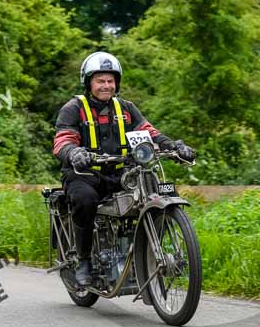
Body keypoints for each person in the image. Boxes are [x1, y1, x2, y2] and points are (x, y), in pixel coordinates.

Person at [53, 52, 195, 286]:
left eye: (110, 81)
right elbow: (62, 140)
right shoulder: (74, 108)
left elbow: (149, 132)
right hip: (85, 176)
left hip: (122, 175)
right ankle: (84, 260)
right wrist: (74, 152)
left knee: (159, 193)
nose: (106, 86)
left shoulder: (126, 108)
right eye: (100, 80)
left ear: (116, 83)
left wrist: (175, 146)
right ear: (89, 82)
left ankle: (148, 254)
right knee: (84, 199)